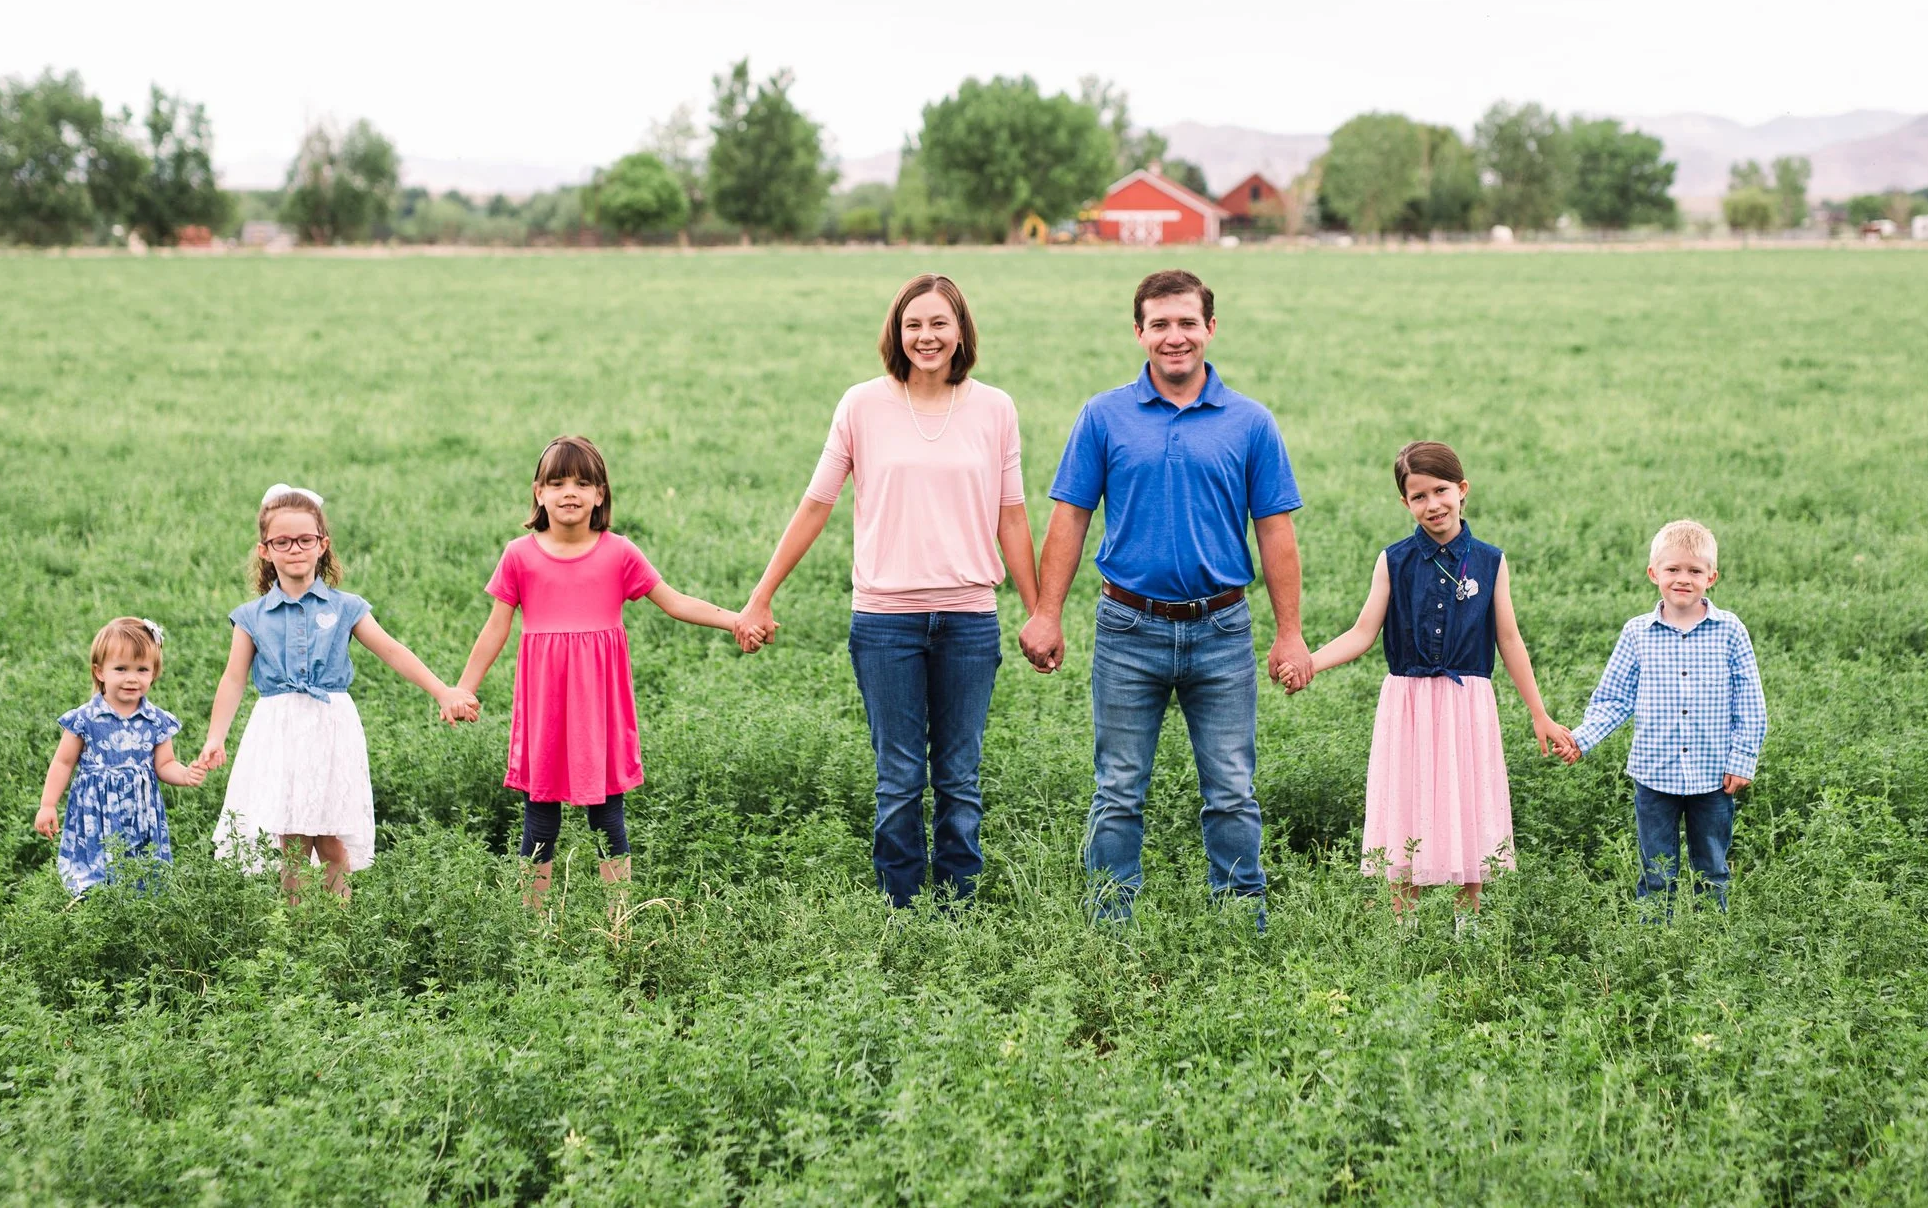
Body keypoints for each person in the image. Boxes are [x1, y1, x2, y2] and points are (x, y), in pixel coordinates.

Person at [736, 275, 1040, 907]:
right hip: (885, 622)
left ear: (961, 331)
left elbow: (1012, 515)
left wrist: (1040, 613)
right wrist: (761, 596)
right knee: (899, 777)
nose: (926, 337)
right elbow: (815, 506)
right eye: (913, 325)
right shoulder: (862, 405)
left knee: (959, 776)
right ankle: (901, 908)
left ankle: (958, 909)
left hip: (967, 619)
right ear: (897, 333)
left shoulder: (995, 408)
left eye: (938, 324)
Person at [1020, 268, 1307, 925]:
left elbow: (1276, 532)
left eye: (1186, 322)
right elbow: (1069, 516)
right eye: (1160, 324)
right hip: (1128, 627)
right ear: (1139, 332)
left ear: (1210, 328)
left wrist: (1288, 631)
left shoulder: (1250, 422)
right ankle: (1110, 921)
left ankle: (1241, 923)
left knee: (1232, 789)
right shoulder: (1103, 415)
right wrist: (1046, 612)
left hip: (1222, 629)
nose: (1173, 336)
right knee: (1118, 789)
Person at [1279, 441, 1573, 923]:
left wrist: (1539, 715)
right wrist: (1311, 662)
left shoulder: (1489, 561)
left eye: (1441, 491)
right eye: (1419, 496)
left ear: (1462, 490)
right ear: (1405, 503)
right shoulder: (1393, 561)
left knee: (1468, 804)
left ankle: (1468, 926)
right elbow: (1361, 633)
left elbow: (1510, 639)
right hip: (1408, 702)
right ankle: (1403, 928)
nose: (1432, 504)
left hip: (1468, 703)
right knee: (1406, 805)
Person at [457, 436, 751, 910]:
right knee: (540, 810)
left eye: (582, 482)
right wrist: (464, 689)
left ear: (600, 495)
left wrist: (735, 618)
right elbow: (495, 628)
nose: (569, 492)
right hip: (545, 702)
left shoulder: (618, 552)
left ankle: (620, 919)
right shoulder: (519, 554)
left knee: (607, 810)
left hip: (599, 701)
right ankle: (532, 922)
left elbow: (675, 602)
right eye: (557, 483)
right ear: (538, 492)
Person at [196, 484, 477, 901]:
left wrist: (442, 690)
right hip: (279, 727)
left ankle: (338, 924)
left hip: (330, 724)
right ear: (265, 550)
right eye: (282, 541)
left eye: (305, 539)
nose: (295, 549)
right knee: (290, 836)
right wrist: (215, 738)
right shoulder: (251, 617)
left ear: (322, 545)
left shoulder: (345, 607)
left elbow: (392, 650)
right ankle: (295, 928)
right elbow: (233, 679)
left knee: (330, 834)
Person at [1566, 518, 1768, 910]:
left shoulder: (1730, 631)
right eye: (1673, 569)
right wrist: (1582, 738)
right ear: (1653, 573)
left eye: (1694, 571)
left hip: (1713, 776)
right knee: (1657, 868)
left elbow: (1750, 701)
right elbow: (1614, 698)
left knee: (1712, 864)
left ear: (1712, 577)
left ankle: (1711, 933)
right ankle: (1656, 934)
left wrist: (1743, 759)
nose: (1683, 578)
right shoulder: (1637, 633)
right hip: (1654, 774)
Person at [34, 616, 206, 894]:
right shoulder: (85, 718)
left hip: (141, 813)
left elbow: (165, 764)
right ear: (100, 672)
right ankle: (93, 906)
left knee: (143, 872)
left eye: (142, 669)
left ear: (154, 673)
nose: (131, 678)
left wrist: (185, 774)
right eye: (121, 668)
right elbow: (63, 762)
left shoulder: (156, 720)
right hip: (95, 813)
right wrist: (47, 804)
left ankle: (138, 914)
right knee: (94, 871)